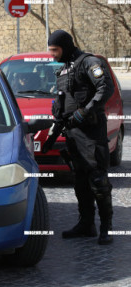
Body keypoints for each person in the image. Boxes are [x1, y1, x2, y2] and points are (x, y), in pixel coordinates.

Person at [43, 30, 115, 245]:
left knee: (98, 181)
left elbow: (106, 87)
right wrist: (53, 130)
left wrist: (86, 110)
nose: (52, 55)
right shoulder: (64, 70)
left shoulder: (88, 62)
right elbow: (63, 105)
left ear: (65, 46)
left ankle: (106, 228)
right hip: (73, 134)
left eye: (55, 50)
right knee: (81, 182)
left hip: (92, 133)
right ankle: (86, 224)